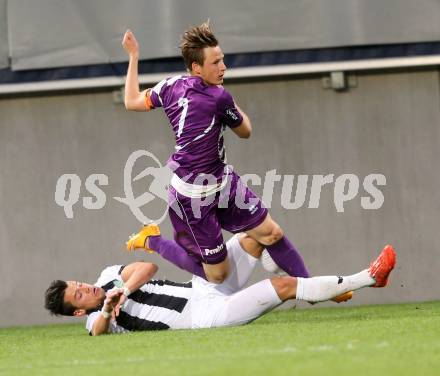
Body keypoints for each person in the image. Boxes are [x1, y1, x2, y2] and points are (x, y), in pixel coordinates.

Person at [122, 21, 310, 284]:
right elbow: (246, 131)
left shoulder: (169, 86)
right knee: (219, 276)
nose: (223, 67)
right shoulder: (219, 97)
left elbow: (131, 101)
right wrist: (228, 101)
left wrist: (133, 57)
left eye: (222, 60)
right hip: (191, 197)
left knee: (272, 234)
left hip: (222, 182)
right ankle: (153, 240)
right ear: (196, 67)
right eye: (215, 63)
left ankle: (313, 288)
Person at [45, 234, 396, 336]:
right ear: (78, 310)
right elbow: (100, 329)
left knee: (255, 237)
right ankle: (369, 278)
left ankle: (325, 290)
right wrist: (107, 307)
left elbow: (146, 265)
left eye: (80, 283)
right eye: (80, 294)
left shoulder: (107, 277)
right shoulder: (95, 321)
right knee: (284, 286)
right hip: (206, 316)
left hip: (202, 287)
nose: (87, 288)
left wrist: (121, 287)